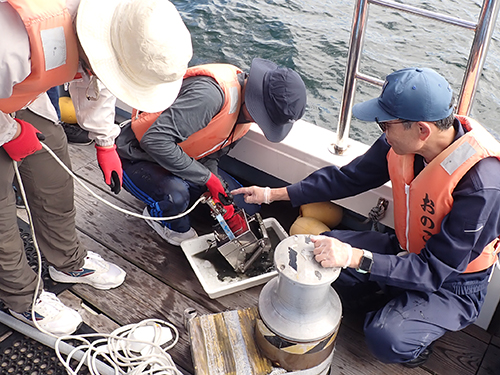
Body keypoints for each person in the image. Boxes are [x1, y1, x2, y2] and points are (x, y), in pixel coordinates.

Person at [232, 67, 500, 367]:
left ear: (422, 130)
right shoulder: (402, 142)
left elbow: (434, 271)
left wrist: (355, 257)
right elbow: (347, 178)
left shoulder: (481, 184)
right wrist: (274, 194)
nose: (382, 132)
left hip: (451, 284)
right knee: (316, 250)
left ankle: (413, 338)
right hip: (403, 250)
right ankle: (387, 291)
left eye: (385, 124)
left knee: (386, 337)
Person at [0, 0, 192, 335]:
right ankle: (20, 298)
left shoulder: (109, 28)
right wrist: (10, 131)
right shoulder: (12, 40)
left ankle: (67, 263)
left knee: (52, 162)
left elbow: (95, 80)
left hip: (11, 93)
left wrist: (106, 142)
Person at [115, 58, 307, 245]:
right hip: (135, 155)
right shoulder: (209, 96)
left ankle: (187, 203)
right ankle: (159, 217)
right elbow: (155, 140)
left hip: (180, 159)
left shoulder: (243, 115)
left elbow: (210, 154)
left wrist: (217, 187)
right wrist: (207, 179)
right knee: (176, 197)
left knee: (242, 204)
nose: (260, 122)